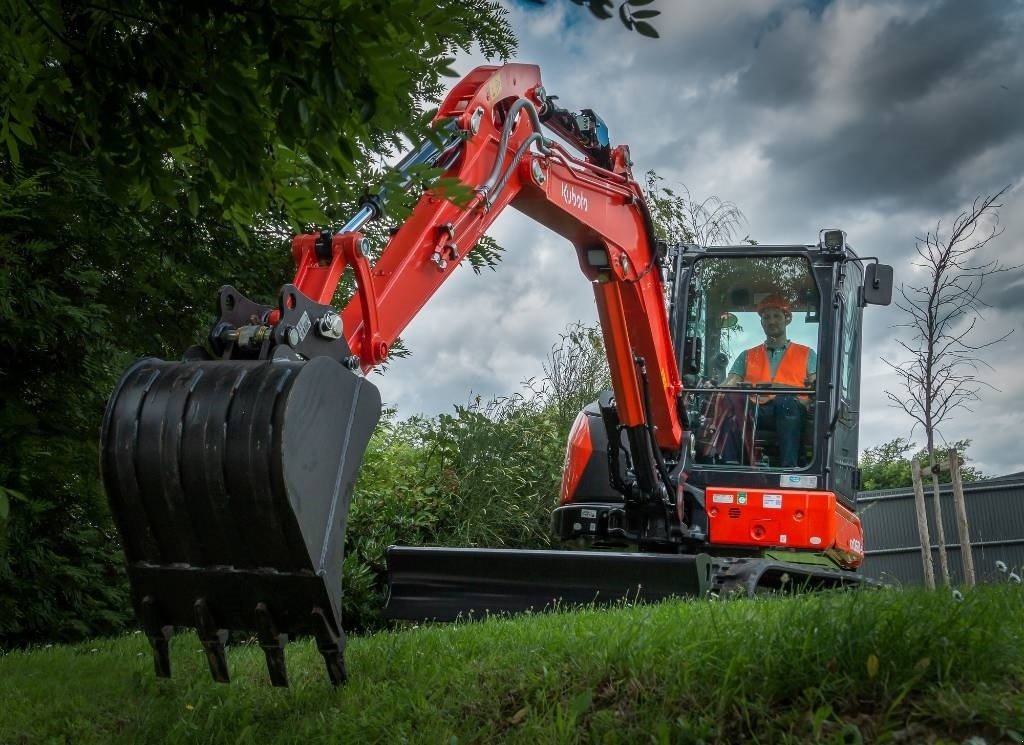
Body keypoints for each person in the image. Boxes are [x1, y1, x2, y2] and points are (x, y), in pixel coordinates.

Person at [721, 294, 816, 467]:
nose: (771, 321)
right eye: (766, 317)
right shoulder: (747, 355)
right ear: (762, 322)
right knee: (731, 403)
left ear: (787, 319)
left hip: (791, 410)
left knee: (784, 401)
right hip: (756, 409)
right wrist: (716, 388)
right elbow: (732, 381)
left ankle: (789, 467)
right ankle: (731, 464)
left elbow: (816, 382)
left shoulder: (807, 354)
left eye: (777, 316)